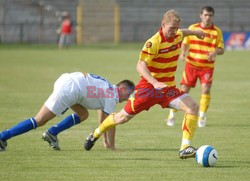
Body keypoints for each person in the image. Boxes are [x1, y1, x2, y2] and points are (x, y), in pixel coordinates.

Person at [84, 10, 205, 159]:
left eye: (176, 28)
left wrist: (196, 32)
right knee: (122, 118)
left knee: (193, 107)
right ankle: (95, 133)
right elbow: (140, 66)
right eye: (171, 28)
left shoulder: (178, 34)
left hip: (167, 90)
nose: (174, 31)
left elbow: (183, 32)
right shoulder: (153, 42)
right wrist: (154, 82)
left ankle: (185, 147)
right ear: (163, 24)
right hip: (148, 90)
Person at [0, 72, 135, 151]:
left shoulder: (108, 89)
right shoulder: (112, 96)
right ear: (122, 89)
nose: (128, 98)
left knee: (83, 114)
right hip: (71, 89)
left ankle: (52, 133)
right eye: (128, 93)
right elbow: (110, 122)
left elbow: (103, 117)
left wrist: (104, 141)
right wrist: (111, 145)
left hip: (67, 79)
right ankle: (2, 137)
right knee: (40, 120)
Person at [166, 6, 224, 128]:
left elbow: (221, 49)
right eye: (206, 15)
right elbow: (185, 43)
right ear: (201, 15)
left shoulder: (216, 32)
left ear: (213, 16)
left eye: (210, 15)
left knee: (206, 90)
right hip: (191, 65)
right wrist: (183, 53)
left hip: (207, 67)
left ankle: (202, 116)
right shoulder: (193, 28)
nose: (208, 17)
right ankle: (172, 114)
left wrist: (215, 52)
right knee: (183, 91)